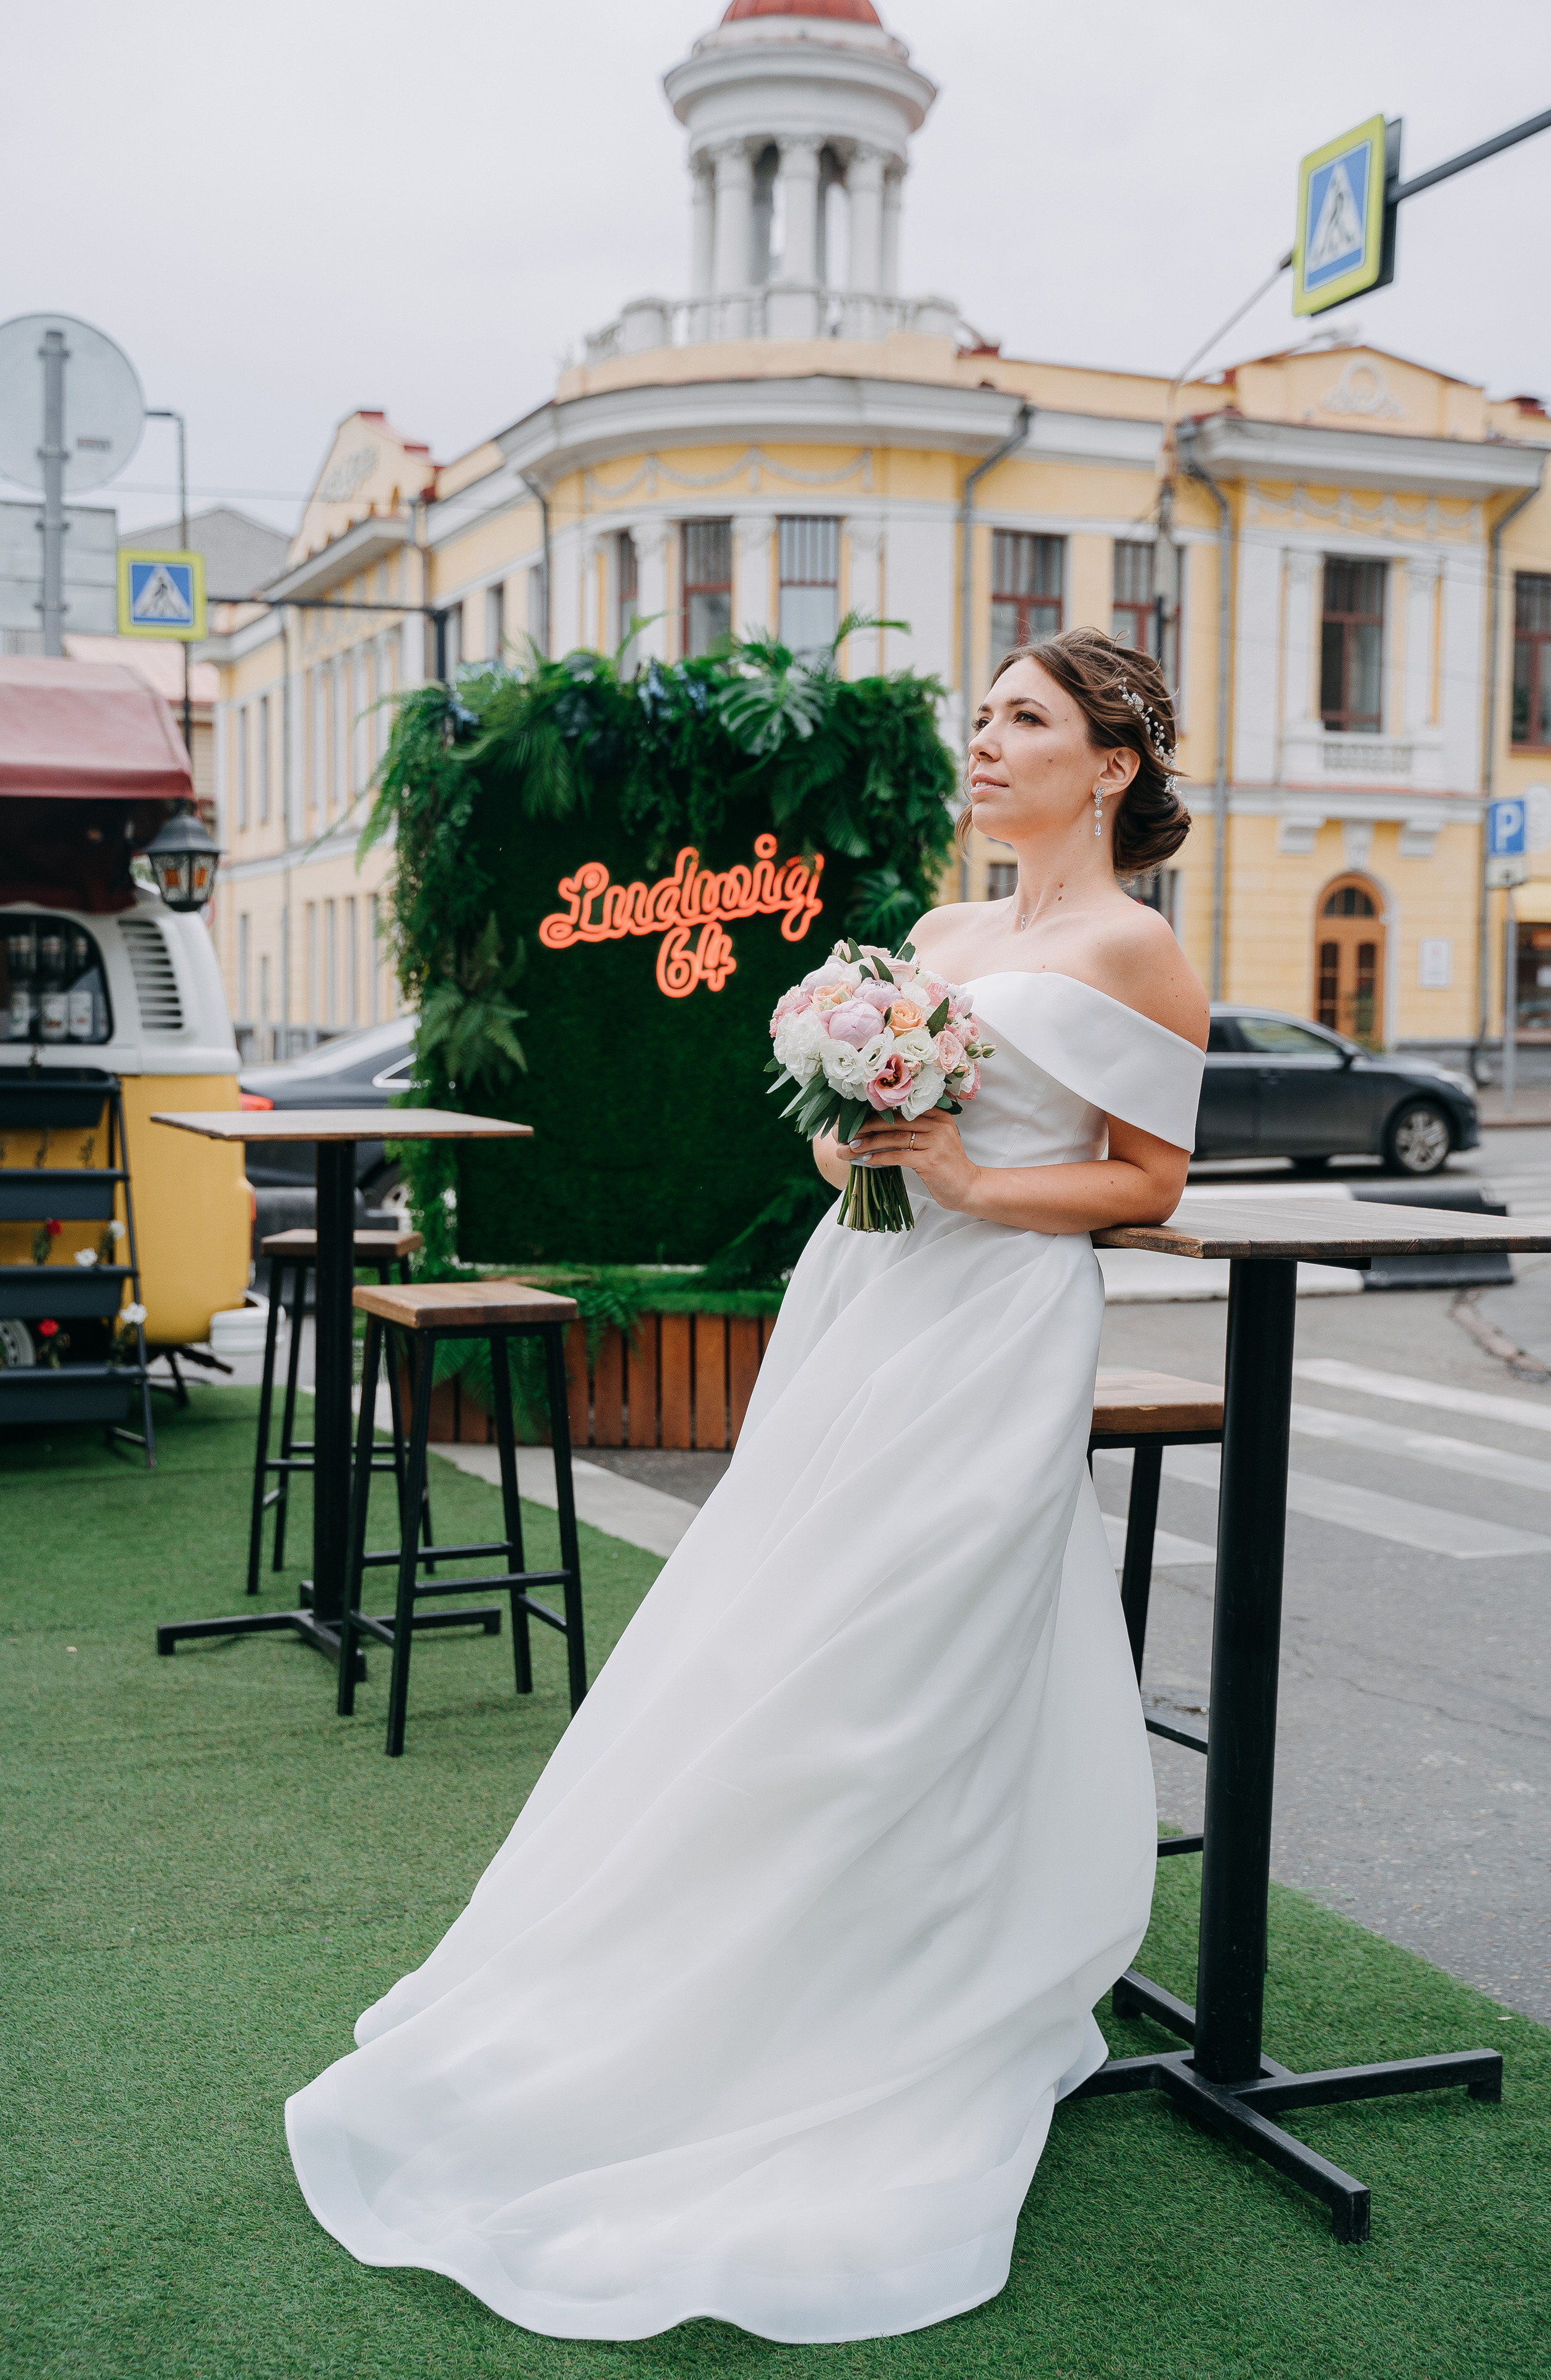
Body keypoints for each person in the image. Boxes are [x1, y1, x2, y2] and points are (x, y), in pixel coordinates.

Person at [285, 625, 1209, 2345]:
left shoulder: (1137, 950)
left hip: (995, 1328)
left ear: (1113, 765)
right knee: (774, 1625)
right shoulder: (939, 933)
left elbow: (1149, 1182)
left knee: (905, 1654)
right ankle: (706, 1976)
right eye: (983, 716)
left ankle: (893, 1982)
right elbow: (832, 1126)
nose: (987, 744)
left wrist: (963, 1173)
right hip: (859, 1301)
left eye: (1025, 721)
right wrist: (851, 1128)